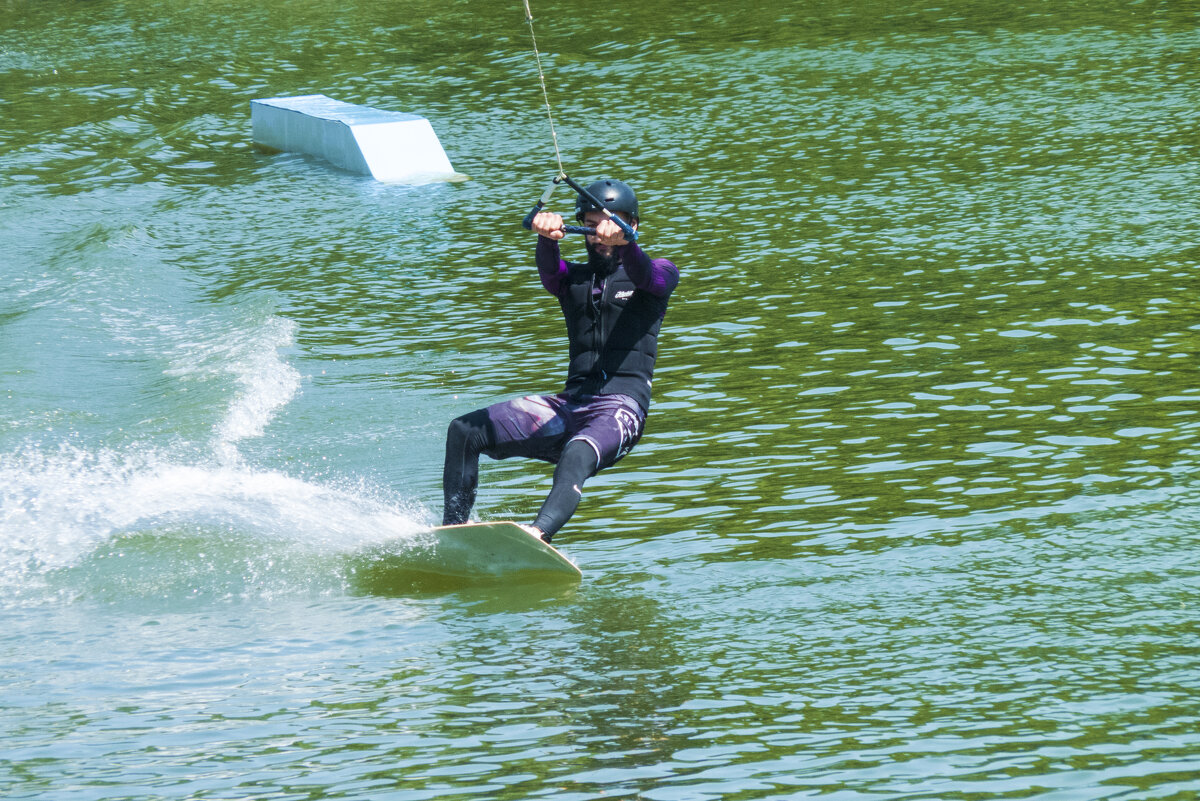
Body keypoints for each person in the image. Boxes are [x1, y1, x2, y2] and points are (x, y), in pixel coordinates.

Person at [441, 178, 680, 542]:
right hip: (569, 405)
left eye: (611, 221)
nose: (600, 232)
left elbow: (649, 275)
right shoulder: (573, 280)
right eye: (592, 223)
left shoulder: (659, 272)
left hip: (620, 409)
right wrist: (546, 236)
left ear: (633, 225)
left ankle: (538, 534)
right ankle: (453, 531)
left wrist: (626, 244)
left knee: (577, 452)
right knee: (465, 431)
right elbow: (551, 274)